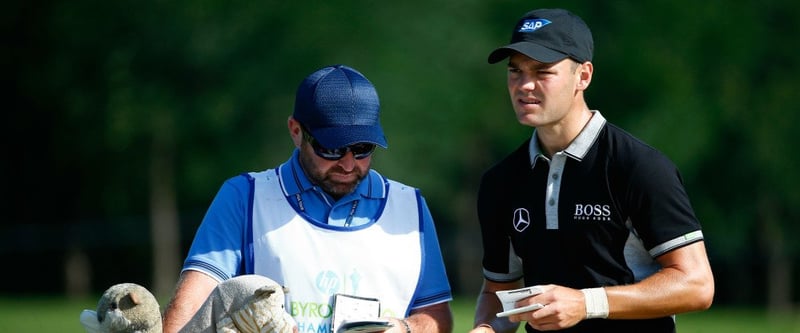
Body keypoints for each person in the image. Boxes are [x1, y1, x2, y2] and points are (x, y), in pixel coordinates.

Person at [470, 8, 714, 333]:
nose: (524, 85)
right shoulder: (499, 182)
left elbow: (696, 284)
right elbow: (498, 295)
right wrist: (486, 328)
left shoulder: (638, 167)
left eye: (542, 72)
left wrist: (586, 303)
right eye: (515, 71)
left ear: (583, 76)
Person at [162, 64, 454, 333]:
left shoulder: (410, 206)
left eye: (363, 148)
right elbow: (189, 310)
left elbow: (437, 317)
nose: (349, 164)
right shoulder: (245, 196)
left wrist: (404, 328)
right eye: (331, 148)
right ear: (296, 131)